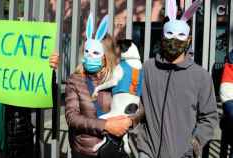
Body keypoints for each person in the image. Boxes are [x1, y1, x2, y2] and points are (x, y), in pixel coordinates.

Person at [133, 1, 218, 158]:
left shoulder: (201, 76)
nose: (175, 40)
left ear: (189, 40)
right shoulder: (147, 69)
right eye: (170, 34)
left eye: (180, 36)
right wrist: (139, 138)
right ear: (162, 36)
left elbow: (209, 117)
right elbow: (136, 105)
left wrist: (195, 144)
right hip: (147, 152)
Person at [65, 13, 142, 158]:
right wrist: (106, 125)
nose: (90, 56)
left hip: (114, 149)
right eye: (87, 52)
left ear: (106, 55)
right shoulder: (75, 80)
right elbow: (72, 117)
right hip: (86, 151)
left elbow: (140, 106)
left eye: (95, 52)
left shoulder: (118, 75)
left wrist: (129, 122)